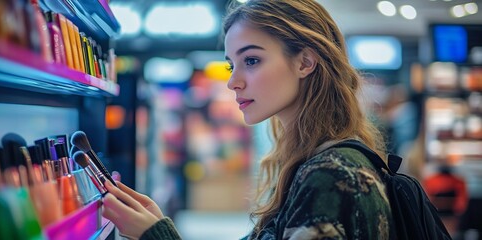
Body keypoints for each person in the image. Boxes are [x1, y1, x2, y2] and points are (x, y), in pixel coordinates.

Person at [102, 0, 394, 239]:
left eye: (251, 60)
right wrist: (158, 228)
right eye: (232, 65)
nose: (233, 82)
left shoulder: (330, 173)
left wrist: (156, 236)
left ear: (305, 62)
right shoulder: (314, 162)